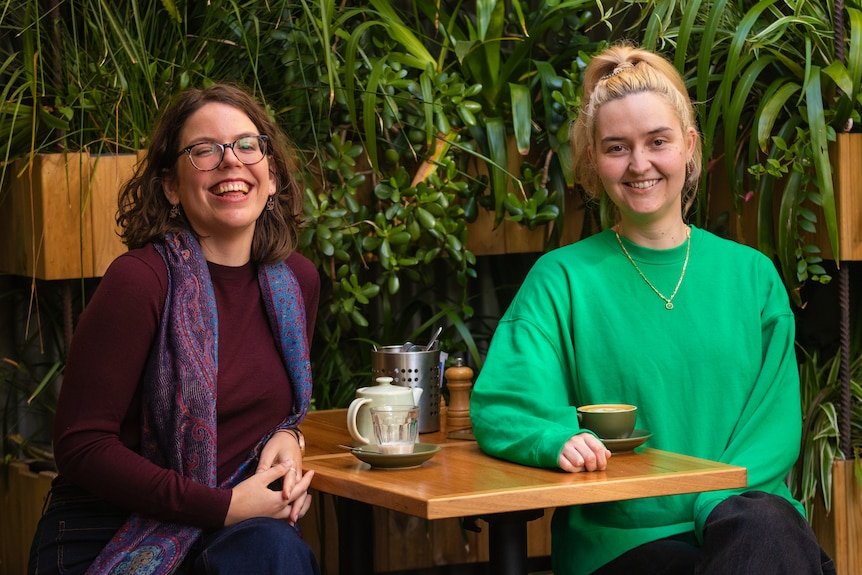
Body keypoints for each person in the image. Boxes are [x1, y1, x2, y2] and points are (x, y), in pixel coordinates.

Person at [469, 44, 835, 575]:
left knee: (765, 531)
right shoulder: (563, 280)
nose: (639, 164)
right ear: (593, 159)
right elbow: (505, 405)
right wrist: (556, 439)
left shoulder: (752, 276)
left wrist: (714, 506)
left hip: (746, 525)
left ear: (688, 147)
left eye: (657, 142)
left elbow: (772, 431)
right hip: (623, 544)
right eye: (617, 147)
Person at [28, 83, 321, 575]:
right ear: (169, 186)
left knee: (275, 552)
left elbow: (271, 410)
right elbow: (81, 446)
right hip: (111, 531)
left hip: (233, 533)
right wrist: (221, 507)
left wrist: (291, 437)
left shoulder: (298, 284)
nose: (230, 161)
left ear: (271, 174)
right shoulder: (140, 282)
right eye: (204, 151)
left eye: (247, 145)